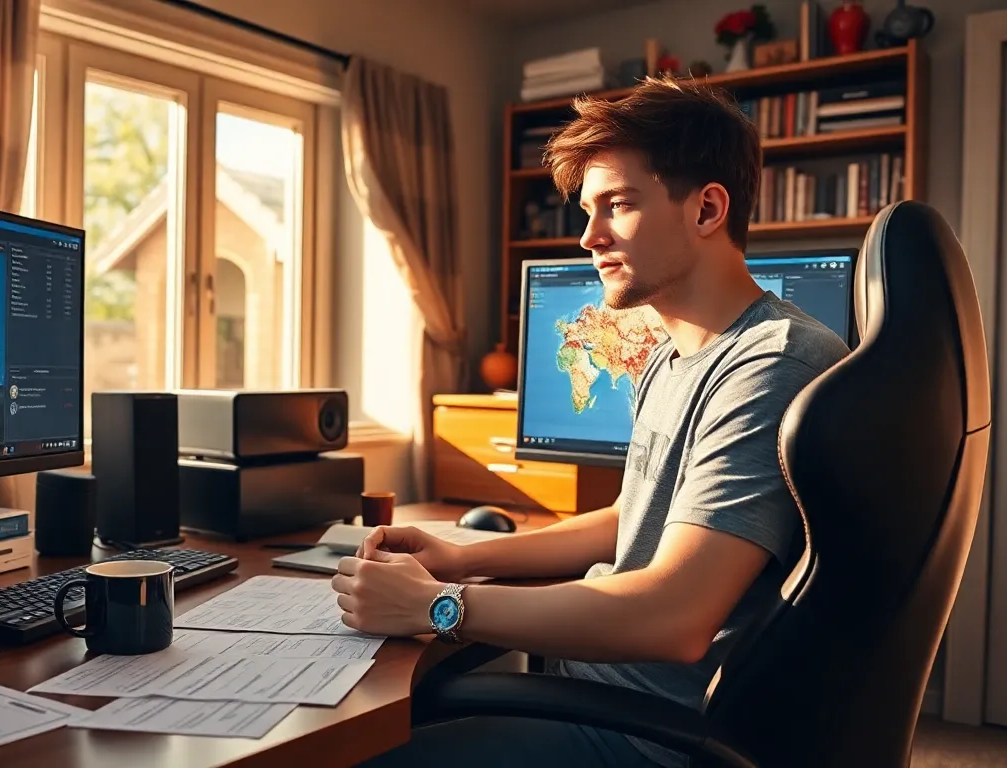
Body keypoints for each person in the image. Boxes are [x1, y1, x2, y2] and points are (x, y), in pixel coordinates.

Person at [331, 76, 851, 768]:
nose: (587, 236)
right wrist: (461, 556)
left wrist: (441, 607)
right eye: (587, 209)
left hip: (652, 737)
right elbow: (630, 517)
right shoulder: (670, 357)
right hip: (591, 690)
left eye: (618, 205)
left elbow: (676, 616)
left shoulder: (773, 363)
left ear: (706, 209)